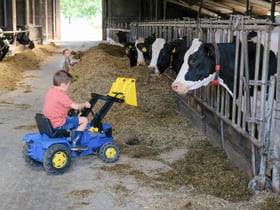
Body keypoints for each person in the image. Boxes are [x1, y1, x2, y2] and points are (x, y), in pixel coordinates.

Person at [43, 70, 91, 150]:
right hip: (59, 124)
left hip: (49, 122)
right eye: (68, 85)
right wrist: (84, 104)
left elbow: (57, 106)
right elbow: (75, 106)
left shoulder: (50, 92)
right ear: (63, 85)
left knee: (72, 118)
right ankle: (75, 143)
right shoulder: (61, 95)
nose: (68, 87)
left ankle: (73, 136)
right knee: (84, 120)